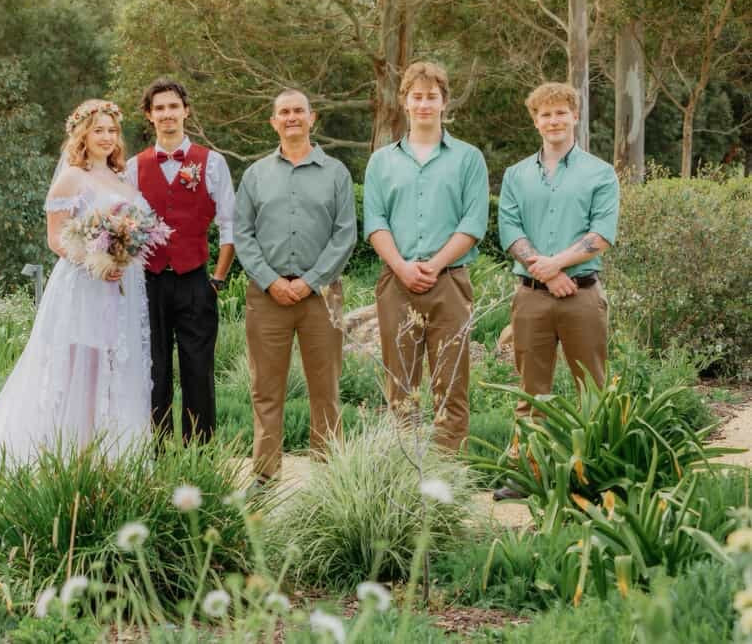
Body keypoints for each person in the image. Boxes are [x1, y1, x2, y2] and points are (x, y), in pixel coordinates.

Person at [0, 100, 153, 462]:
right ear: (83, 133)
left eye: (112, 130)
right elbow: (56, 239)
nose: (107, 137)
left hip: (121, 287)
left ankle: (106, 450)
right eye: (99, 130)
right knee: (80, 363)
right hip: (84, 285)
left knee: (112, 362)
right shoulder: (72, 178)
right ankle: (70, 452)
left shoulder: (122, 178)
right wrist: (97, 263)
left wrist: (123, 255)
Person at [493, 82, 619, 500]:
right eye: (545, 114)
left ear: (575, 116)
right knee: (531, 390)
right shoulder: (516, 175)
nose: (554, 120)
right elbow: (510, 230)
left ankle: (593, 475)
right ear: (535, 121)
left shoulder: (600, 173)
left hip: (582, 296)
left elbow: (601, 234)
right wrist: (544, 273)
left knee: (592, 389)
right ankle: (528, 474)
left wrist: (557, 265)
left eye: (561, 113)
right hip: (531, 296)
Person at [363, 62, 489, 454]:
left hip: (449, 281)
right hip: (396, 282)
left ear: (444, 102)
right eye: (416, 97)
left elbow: (473, 221)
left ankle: (445, 470)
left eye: (431, 97)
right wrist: (402, 266)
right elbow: (375, 220)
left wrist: (433, 265)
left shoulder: (468, 159)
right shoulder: (382, 161)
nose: (423, 104)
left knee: (451, 380)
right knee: (399, 383)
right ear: (404, 102)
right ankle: (402, 467)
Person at [234, 90, 356, 483]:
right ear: (273, 122)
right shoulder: (255, 175)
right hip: (267, 297)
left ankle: (328, 476)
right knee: (266, 390)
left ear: (312, 118)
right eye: (283, 112)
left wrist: (311, 281)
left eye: (298, 111)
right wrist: (270, 281)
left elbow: (345, 235)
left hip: (321, 296)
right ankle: (266, 475)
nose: (291, 118)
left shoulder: (336, 172)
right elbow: (243, 234)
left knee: (326, 388)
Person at [125, 79, 234, 444]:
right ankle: (157, 454)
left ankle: (200, 454)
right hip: (148, 282)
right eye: (159, 108)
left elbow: (230, 225)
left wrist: (217, 278)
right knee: (153, 373)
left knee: (198, 370)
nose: (167, 114)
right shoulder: (132, 167)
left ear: (185, 111)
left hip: (195, 281)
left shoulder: (211, 162)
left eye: (173, 106)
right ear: (149, 116)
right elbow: (123, 227)